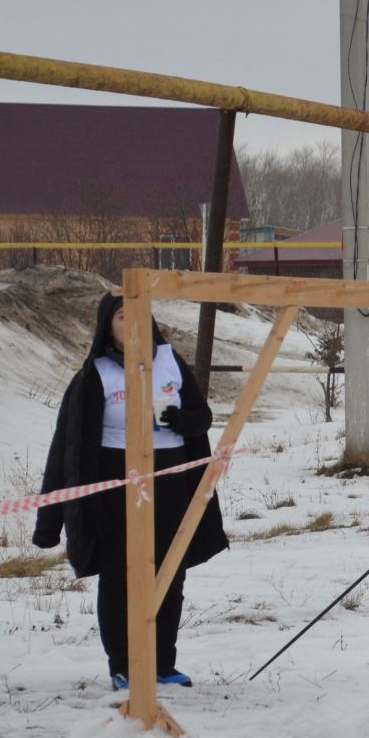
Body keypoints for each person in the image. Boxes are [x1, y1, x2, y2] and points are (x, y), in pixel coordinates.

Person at [33, 291, 228, 690]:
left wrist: (181, 420)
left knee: (168, 571)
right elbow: (66, 447)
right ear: (109, 326)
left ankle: (161, 664)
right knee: (120, 575)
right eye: (122, 316)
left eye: (138, 314)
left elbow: (201, 417)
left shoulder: (169, 363)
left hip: (172, 477)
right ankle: (123, 664)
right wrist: (48, 521)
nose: (131, 322)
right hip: (115, 482)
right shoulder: (96, 374)